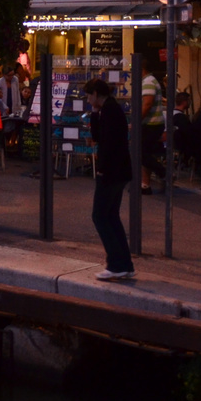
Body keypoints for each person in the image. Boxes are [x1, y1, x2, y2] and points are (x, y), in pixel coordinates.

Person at [84, 77, 137, 280]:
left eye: (89, 95)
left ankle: (116, 264)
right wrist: (95, 114)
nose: (88, 100)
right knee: (111, 216)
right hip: (120, 171)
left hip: (111, 171)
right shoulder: (108, 110)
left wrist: (102, 170)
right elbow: (98, 136)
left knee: (100, 216)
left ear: (96, 94)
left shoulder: (111, 112)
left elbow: (107, 144)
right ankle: (124, 264)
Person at [140, 57, 163, 194]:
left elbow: (147, 103)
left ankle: (163, 172)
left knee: (140, 153)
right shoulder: (149, 80)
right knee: (145, 153)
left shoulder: (148, 81)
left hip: (151, 123)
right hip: (151, 123)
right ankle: (145, 185)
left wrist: (137, 120)